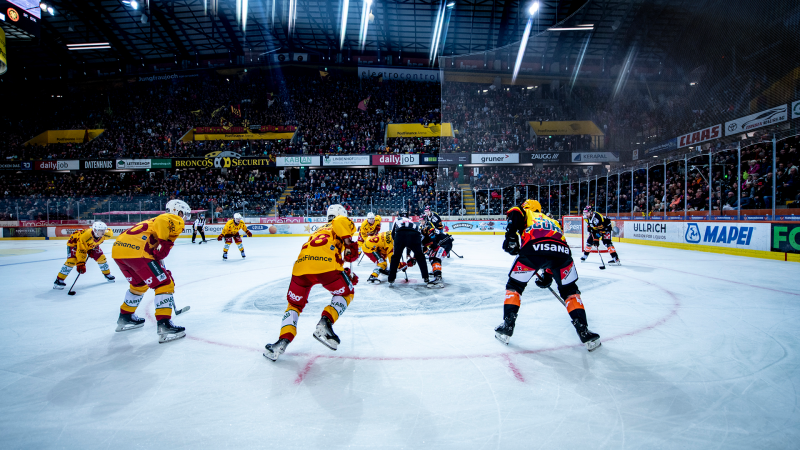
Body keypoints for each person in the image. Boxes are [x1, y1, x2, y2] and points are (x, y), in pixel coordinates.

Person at [498, 198, 601, 351]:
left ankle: (508, 325)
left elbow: (514, 212)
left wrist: (511, 237)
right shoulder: (552, 220)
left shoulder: (525, 212)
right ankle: (583, 330)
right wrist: (548, 274)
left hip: (533, 250)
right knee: (570, 291)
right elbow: (552, 244)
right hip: (563, 254)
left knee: (515, 286)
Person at [263, 204, 360, 361]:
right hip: (326, 266)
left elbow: (329, 252)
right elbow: (341, 226)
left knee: (294, 305)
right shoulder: (342, 221)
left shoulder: (319, 230)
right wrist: (349, 243)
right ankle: (325, 322)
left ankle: (282, 341)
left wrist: (345, 273)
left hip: (301, 267)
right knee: (348, 293)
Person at [111, 199, 190, 343]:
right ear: (178, 211)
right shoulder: (173, 218)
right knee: (165, 284)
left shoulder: (151, 221)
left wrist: (159, 250)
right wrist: (164, 244)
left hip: (118, 251)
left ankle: (125, 317)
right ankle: (164, 324)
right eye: (185, 214)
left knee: (139, 285)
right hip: (137, 252)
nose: (185, 218)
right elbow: (162, 220)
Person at [53, 221, 115, 289]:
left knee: (101, 258)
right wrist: (81, 263)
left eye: (104, 230)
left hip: (91, 244)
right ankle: (59, 280)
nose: (103, 232)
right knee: (72, 261)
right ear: (95, 230)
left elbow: (109, 232)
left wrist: (90, 248)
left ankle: (107, 274)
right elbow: (81, 250)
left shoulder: (106, 234)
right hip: (75, 243)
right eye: (101, 230)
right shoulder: (85, 236)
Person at [388, 213, 431, 287]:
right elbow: (415, 238)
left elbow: (393, 234)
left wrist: (398, 247)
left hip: (400, 234)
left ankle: (391, 278)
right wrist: (409, 251)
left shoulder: (397, 219)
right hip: (414, 234)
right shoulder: (412, 222)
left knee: (395, 257)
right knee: (420, 256)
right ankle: (426, 277)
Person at [421, 222, 452, 287]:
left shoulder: (428, 233)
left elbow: (433, 242)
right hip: (443, 242)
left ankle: (438, 277)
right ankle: (435, 271)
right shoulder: (424, 235)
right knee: (432, 257)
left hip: (444, 243)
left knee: (435, 258)